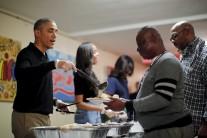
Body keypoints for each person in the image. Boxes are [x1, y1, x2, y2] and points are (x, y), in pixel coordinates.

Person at [104, 26, 194, 138]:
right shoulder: (159, 63)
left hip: (170, 130)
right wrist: (126, 102)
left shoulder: (167, 61)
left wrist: (127, 104)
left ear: (150, 41)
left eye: (139, 46)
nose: (138, 50)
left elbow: (162, 98)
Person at [12, 18, 76, 138]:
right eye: (50, 31)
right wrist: (54, 64)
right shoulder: (26, 54)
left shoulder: (44, 57)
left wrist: (56, 102)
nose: (55, 36)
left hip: (43, 118)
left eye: (56, 32)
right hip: (28, 116)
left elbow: (37, 88)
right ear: (37, 32)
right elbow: (23, 75)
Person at [170, 21, 207, 137]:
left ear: (186, 31)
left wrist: (206, 125)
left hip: (197, 129)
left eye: (174, 36)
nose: (172, 40)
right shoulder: (183, 56)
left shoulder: (204, 53)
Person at [74, 42, 114, 124]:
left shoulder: (91, 74)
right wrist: (101, 109)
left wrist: (114, 99)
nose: (98, 54)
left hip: (94, 113)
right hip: (85, 115)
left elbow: (98, 95)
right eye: (95, 51)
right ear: (87, 55)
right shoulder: (79, 74)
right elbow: (79, 103)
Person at [104, 55, 134, 120]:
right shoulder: (112, 80)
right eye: (126, 71)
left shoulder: (124, 80)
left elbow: (124, 96)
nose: (128, 73)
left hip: (125, 115)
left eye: (129, 70)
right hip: (116, 117)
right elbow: (105, 98)